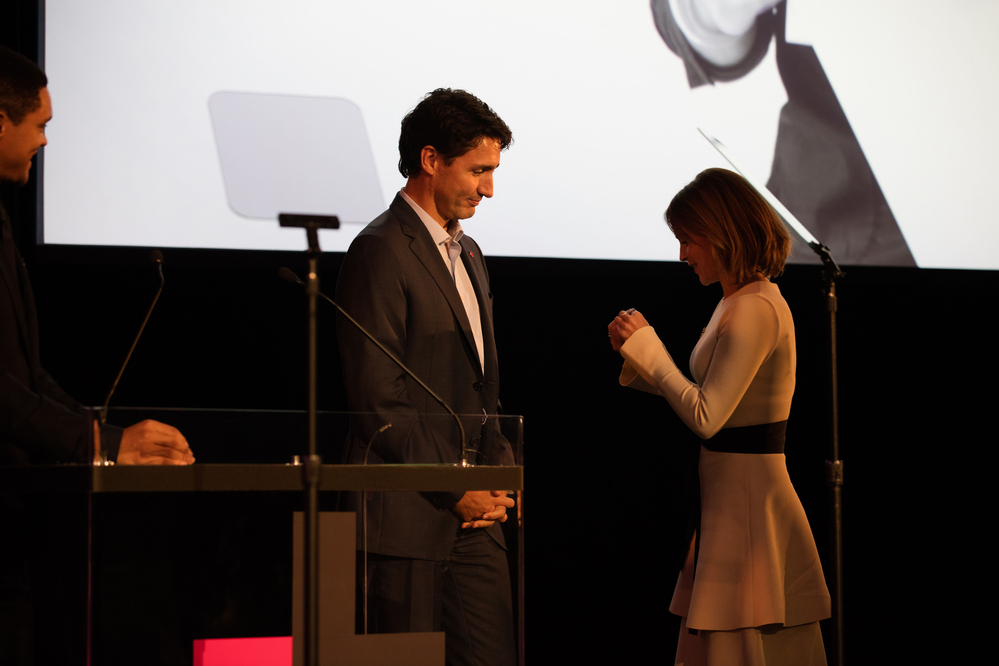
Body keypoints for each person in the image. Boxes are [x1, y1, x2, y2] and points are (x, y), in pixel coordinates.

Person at [1, 45, 194, 665]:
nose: (46, 142)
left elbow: (26, 377)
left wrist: (107, 437)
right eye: (41, 126)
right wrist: (101, 444)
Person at [609, 168, 830, 665]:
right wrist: (642, 360)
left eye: (688, 240)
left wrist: (652, 353)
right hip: (730, 503)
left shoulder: (753, 307)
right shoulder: (738, 302)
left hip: (748, 508)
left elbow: (708, 417)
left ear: (721, 234)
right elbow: (715, 402)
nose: (683, 255)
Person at [336, 88, 516, 666]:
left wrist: (500, 467)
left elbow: (481, 387)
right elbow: (377, 400)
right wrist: (453, 484)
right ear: (431, 160)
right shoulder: (380, 250)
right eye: (479, 170)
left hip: (476, 520)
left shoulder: (471, 254)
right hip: (405, 521)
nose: (489, 188)